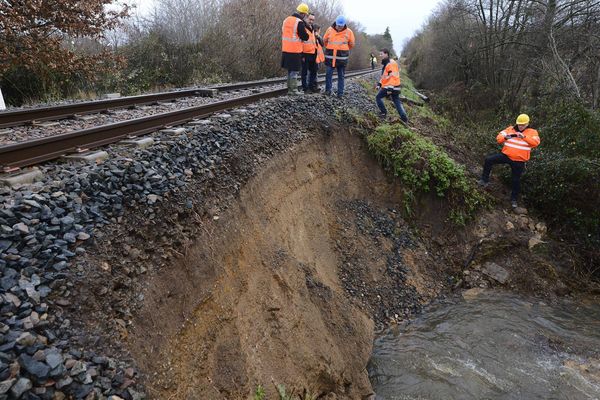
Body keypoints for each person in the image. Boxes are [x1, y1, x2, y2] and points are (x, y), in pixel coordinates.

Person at [478, 114, 541, 208]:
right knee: (488, 160)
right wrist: (506, 137)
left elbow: (536, 143)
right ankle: (484, 180)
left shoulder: (532, 132)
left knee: (516, 180)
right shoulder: (510, 129)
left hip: (519, 161)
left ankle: (514, 199)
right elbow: (498, 138)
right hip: (506, 155)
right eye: (519, 124)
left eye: (523, 125)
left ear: (527, 124)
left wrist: (524, 137)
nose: (520, 126)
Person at [323, 15, 355, 98]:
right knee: (328, 74)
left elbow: (351, 44)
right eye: (338, 25)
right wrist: (330, 48)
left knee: (341, 76)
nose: (339, 27)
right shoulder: (329, 30)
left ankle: (340, 93)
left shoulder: (349, 32)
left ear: (344, 25)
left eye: (341, 26)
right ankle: (328, 91)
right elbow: (325, 41)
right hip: (330, 58)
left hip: (342, 59)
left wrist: (343, 50)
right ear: (335, 23)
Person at [281, 4, 310, 96]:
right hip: (295, 50)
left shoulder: (286, 20)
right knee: (294, 70)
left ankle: (290, 88)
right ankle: (293, 90)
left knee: (290, 70)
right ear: (303, 14)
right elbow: (305, 36)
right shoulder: (299, 22)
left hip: (285, 49)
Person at [375, 49, 408, 123]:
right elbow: (384, 76)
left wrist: (390, 88)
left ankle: (383, 113)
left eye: (381, 54)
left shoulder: (390, 63)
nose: (380, 56)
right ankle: (404, 118)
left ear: (386, 54)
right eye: (379, 54)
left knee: (378, 97)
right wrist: (379, 84)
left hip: (391, 86)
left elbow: (392, 77)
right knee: (397, 101)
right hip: (395, 87)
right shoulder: (388, 63)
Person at [301, 14, 320, 93]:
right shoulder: (303, 27)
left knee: (314, 71)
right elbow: (301, 41)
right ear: (306, 18)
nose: (311, 21)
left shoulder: (313, 29)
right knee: (304, 72)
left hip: (313, 53)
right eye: (310, 19)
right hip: (305, 53)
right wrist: (301, 54)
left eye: (313, 20)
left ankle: (311, 87)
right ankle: (305, 89)